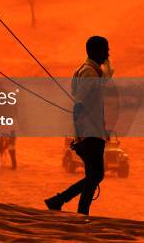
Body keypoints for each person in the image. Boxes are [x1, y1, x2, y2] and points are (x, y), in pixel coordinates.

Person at [45, 36, 112, 215]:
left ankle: (72, 207)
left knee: (93, 176)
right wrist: (80, 135)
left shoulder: (90, 71)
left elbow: (107, 74)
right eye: (105, 50)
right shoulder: (89, 73)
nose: (108, 53)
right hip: (90, 133)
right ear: (94, 52)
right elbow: (79, 104)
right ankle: (62, 202)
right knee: (96, 175)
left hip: (92, 132)